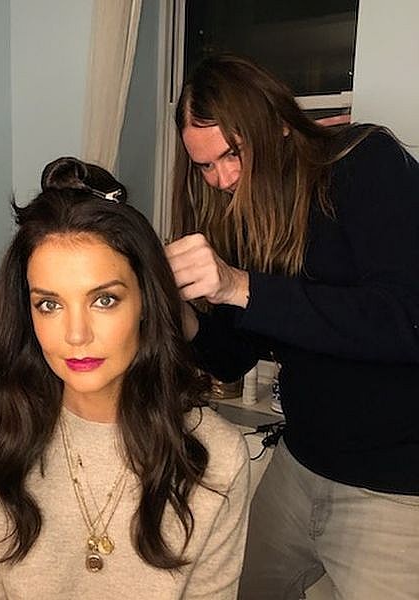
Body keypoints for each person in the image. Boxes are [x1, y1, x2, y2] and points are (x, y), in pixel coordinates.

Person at [165, 53, 419, 600]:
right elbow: (233, 356)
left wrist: (240, 286)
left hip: (397, 486)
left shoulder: (364, 161)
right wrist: (181, 316)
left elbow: (405, 320)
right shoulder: (251, 215)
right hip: (300, 463)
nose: (222, 179)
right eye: (205, 166)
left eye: (232, 154)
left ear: (277, 123)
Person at [0, 157, 250, 599]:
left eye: (104, 300)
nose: (76, 335)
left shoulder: (218, 458)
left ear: (146, 303)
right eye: (49, 304)